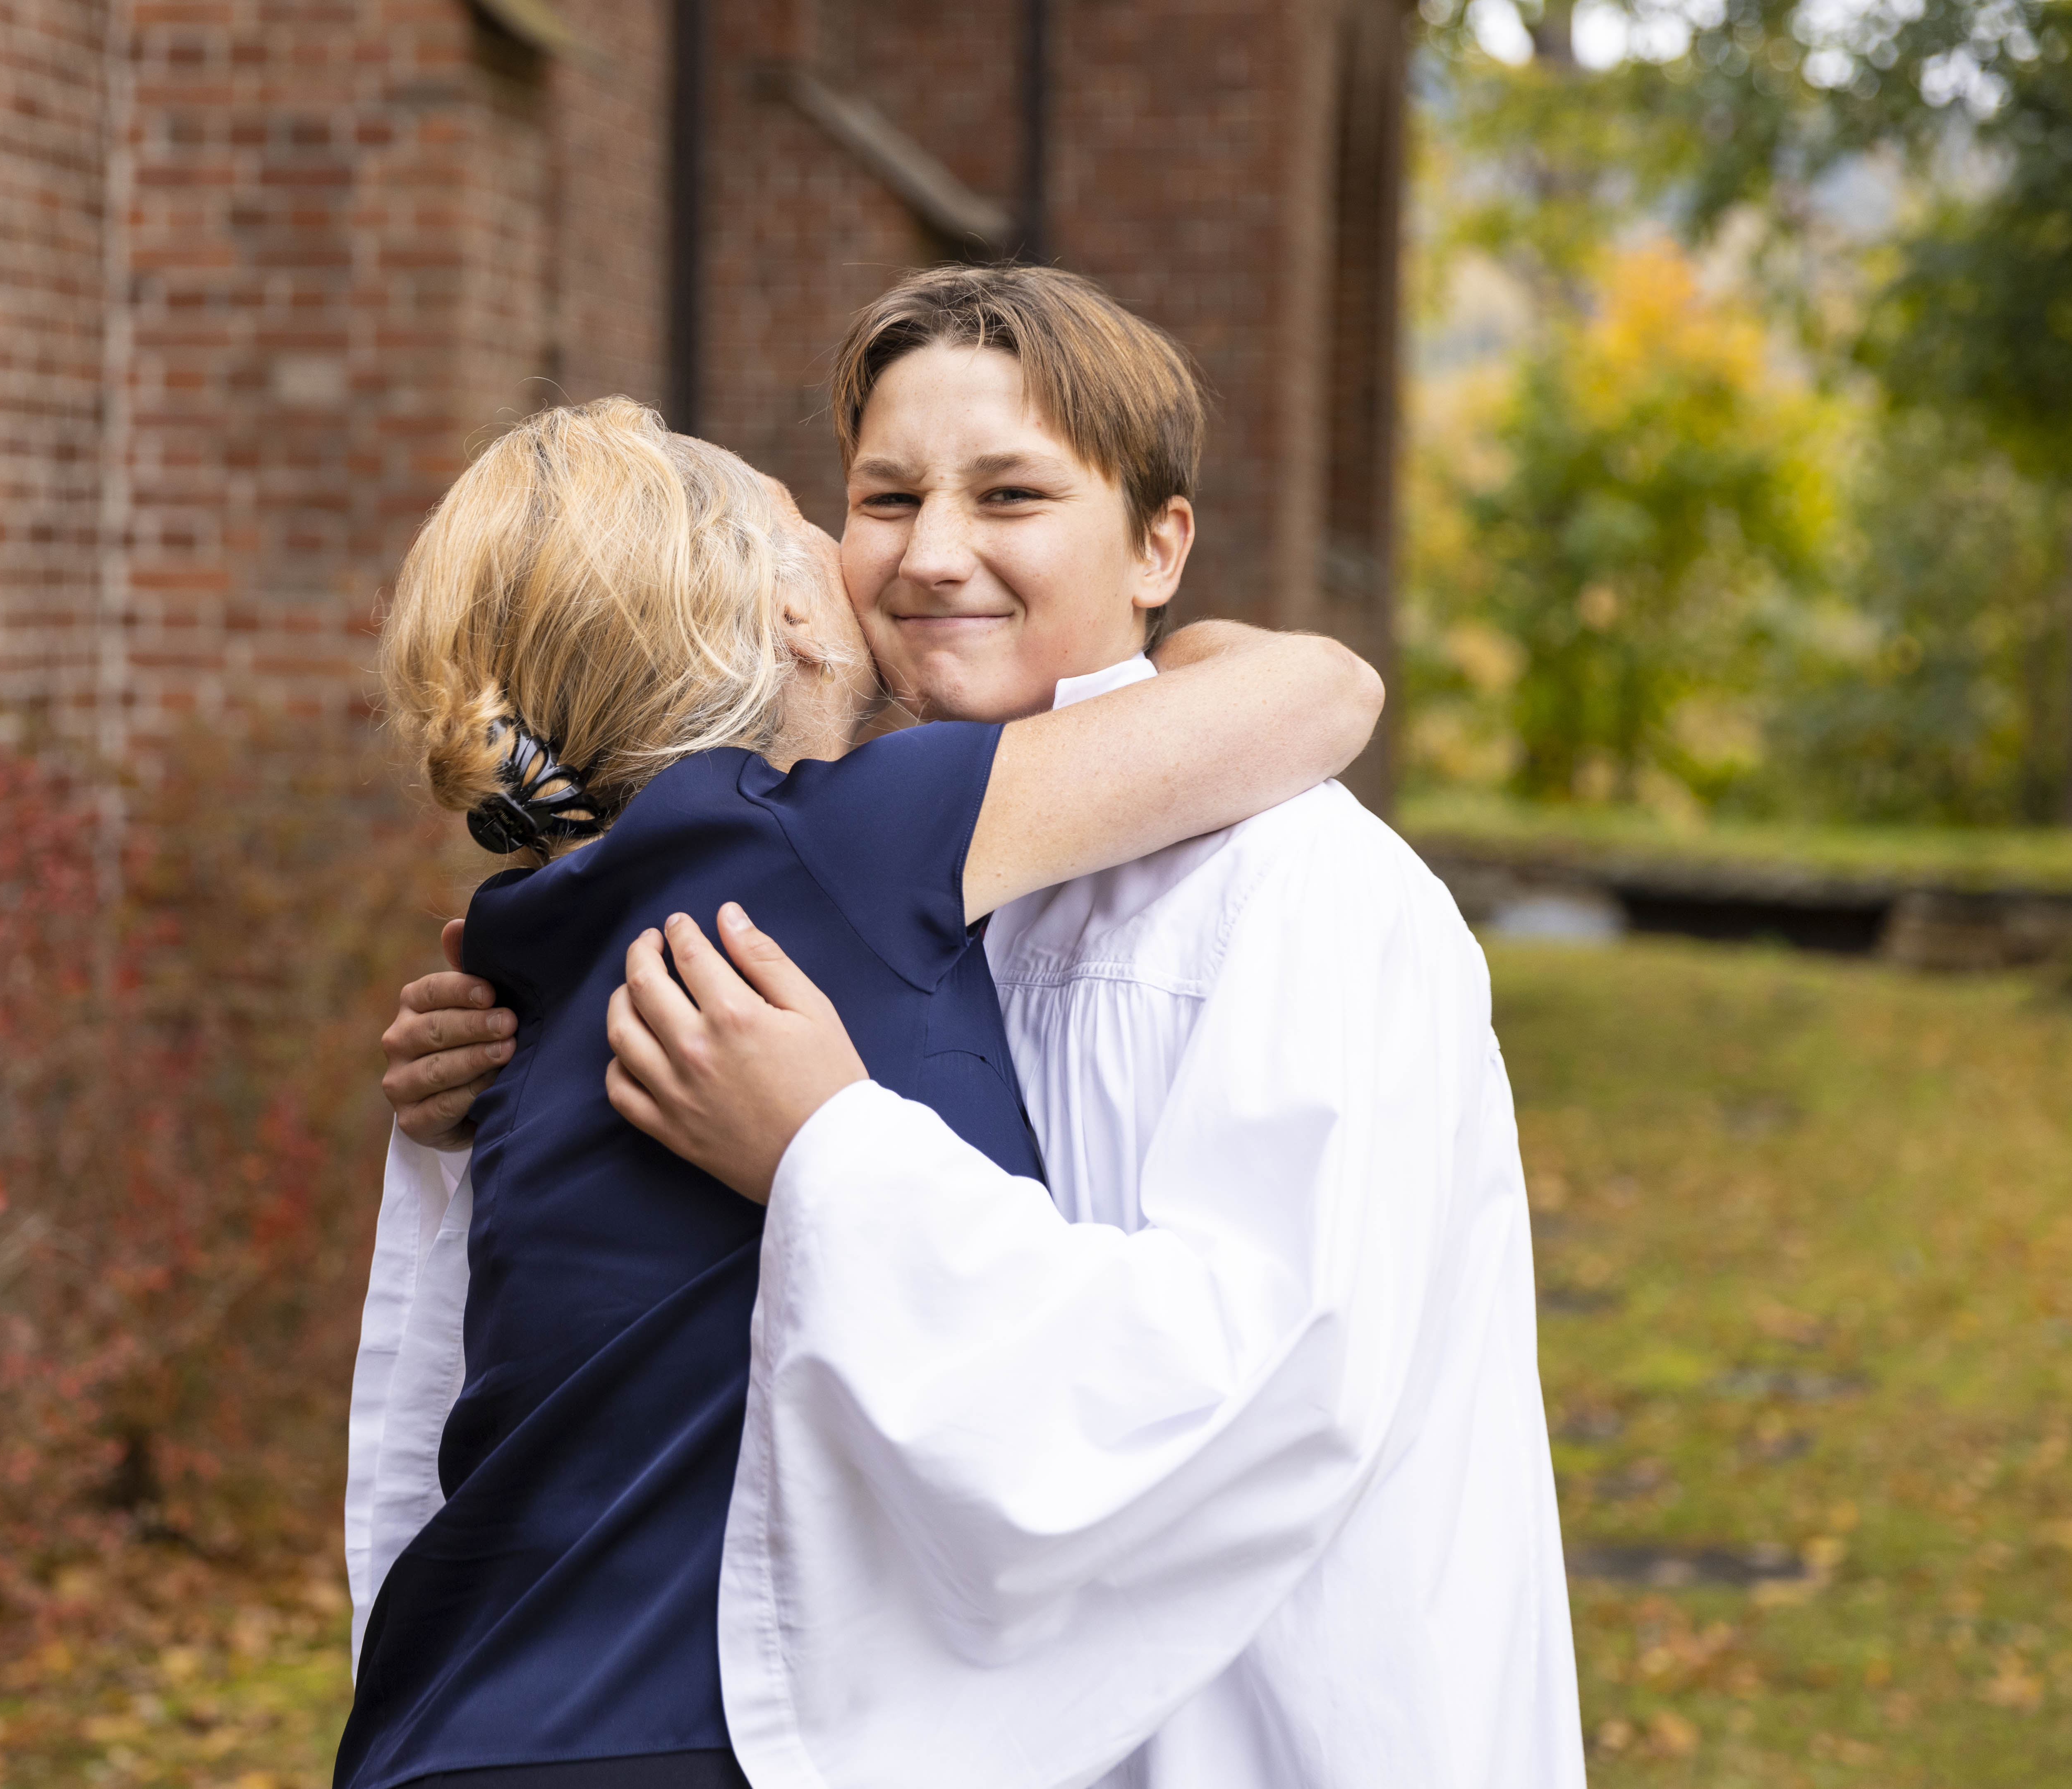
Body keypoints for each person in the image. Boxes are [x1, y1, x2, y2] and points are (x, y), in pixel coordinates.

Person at [378, 267, 1587, 1789]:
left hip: (1239, 1727)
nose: (933, 553)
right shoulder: (834, 861)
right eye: (883, 498)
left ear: (1163, 544)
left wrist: (830, 1152)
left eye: (1010, 494)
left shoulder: (1298, 893)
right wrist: (458, 1106)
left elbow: (1268, 1381)